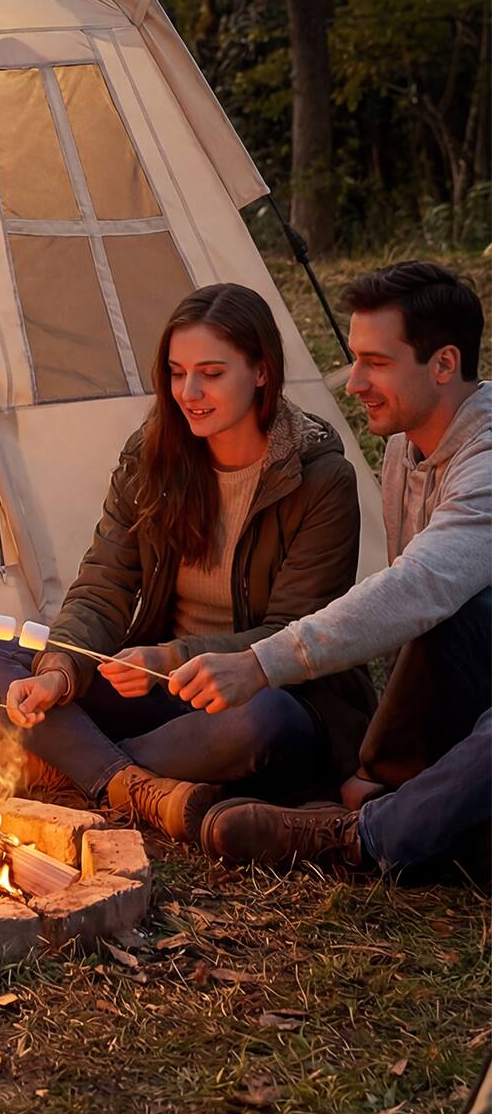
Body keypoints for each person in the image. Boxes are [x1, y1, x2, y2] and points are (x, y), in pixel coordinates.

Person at [0, 282, 375, 842]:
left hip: (261, 694)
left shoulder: (319, 479)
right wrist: (62, 671)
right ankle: (126, 781)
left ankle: (72, 762)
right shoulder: (153, 455)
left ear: (261, 371)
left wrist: (172, 655)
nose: (190, 392)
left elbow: (295, 633)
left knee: (267, 724)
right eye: (177, 373)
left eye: (211, 372)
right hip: (154, 686)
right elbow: (104, 582)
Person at [172, 262, 490, 879]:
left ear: (444, 364)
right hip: (466, 692)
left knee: (447, 606)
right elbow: (423, 621)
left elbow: (419, 586)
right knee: (452, 617)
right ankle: (417, 806)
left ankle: (363, 837)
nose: (354, 383)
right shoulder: (407, 446)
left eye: (376, 362)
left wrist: (262, 662)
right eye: (354, 358)